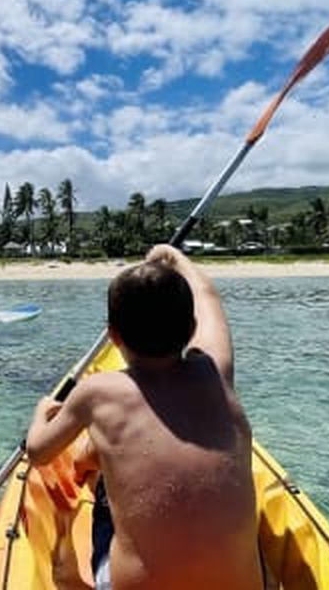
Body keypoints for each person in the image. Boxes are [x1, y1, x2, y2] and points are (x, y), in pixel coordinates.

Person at [26, 245, 263, 590]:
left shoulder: (97, 392)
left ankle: (69, 563)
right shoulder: (213, 371)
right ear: (191, 326)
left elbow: (38, 452)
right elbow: (208, 296)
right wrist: (174, 257)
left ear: (113, 335)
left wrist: (40, 414)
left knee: (105, 481)